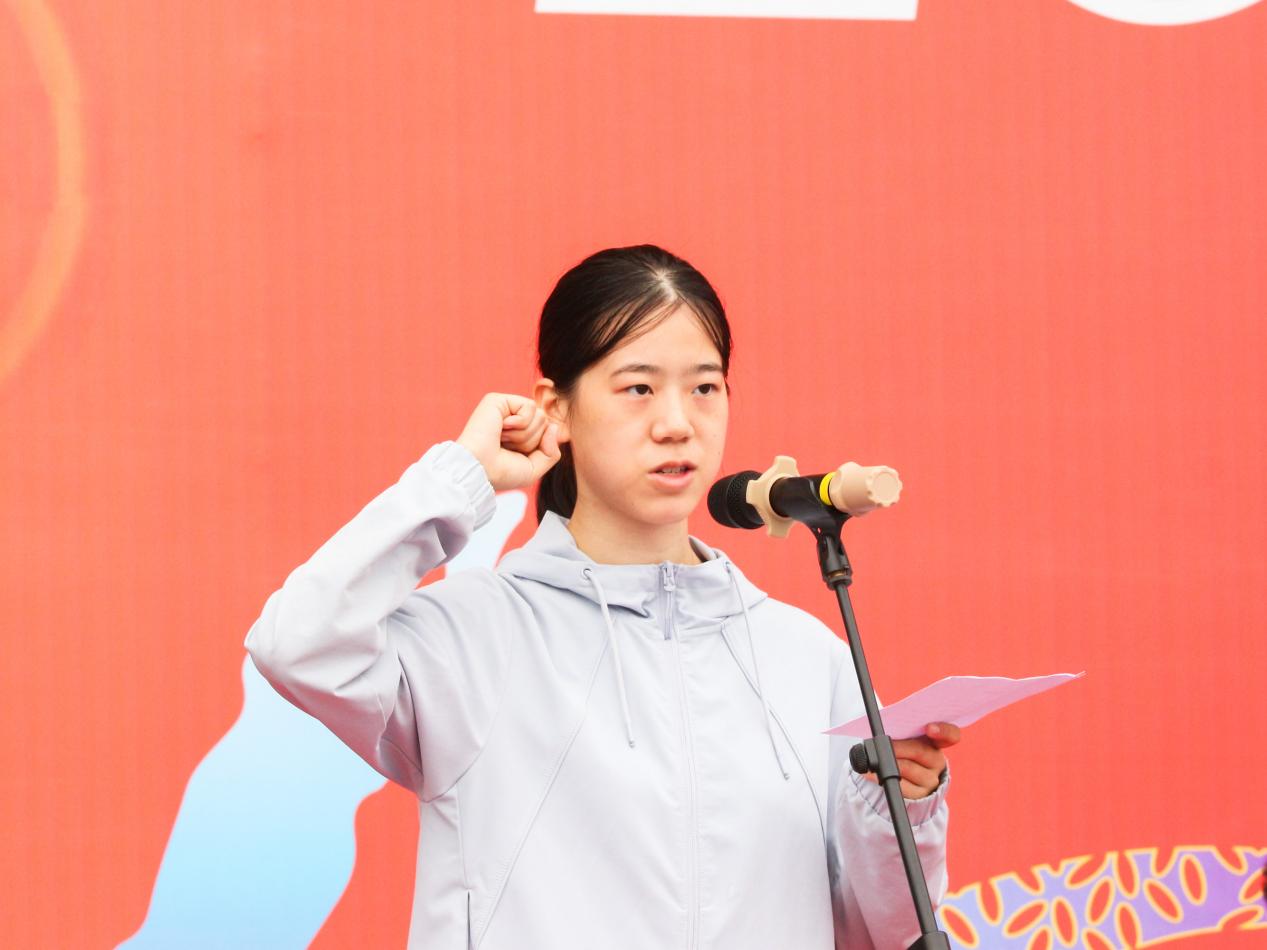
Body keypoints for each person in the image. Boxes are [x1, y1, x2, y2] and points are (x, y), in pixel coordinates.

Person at [244, 243, 961, 950]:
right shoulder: (473, 636)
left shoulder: (806, 655)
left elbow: (883, 935)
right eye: (638, 388)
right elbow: (297, 644)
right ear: (555, 408)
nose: (677, 422)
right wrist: (461, 481)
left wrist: (898, 807)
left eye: (704, 388)